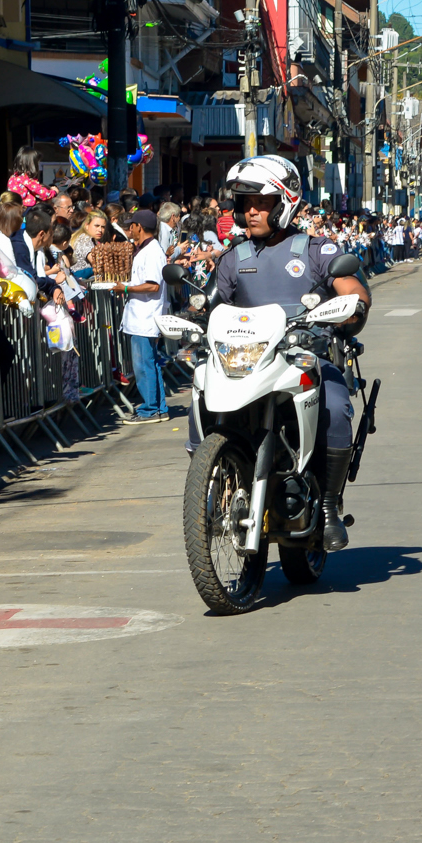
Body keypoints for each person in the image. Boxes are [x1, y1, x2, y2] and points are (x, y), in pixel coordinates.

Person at [201, 155, 372, 551]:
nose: (251, 211)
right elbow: (208, 303)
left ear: (285, 202)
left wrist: (352, 306)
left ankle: (328, 504)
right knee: (202, 390)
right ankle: (213, 483)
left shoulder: (316, 250)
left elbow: (353, 288)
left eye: (260, 202)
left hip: (306, 359)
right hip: (248, 364)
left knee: (334, 403)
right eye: (245, 204)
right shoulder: (233, 260)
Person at [118, 209, 170, 423]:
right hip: (142, 316)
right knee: (150, 363)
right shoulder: (146, 249)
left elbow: (152, 285)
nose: (130, 229)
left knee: (144, 365)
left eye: (132, 225)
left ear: (139, 227)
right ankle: (158, 408)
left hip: (146, 317)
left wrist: (126, 289)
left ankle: (150, 409)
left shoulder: (152, 251)